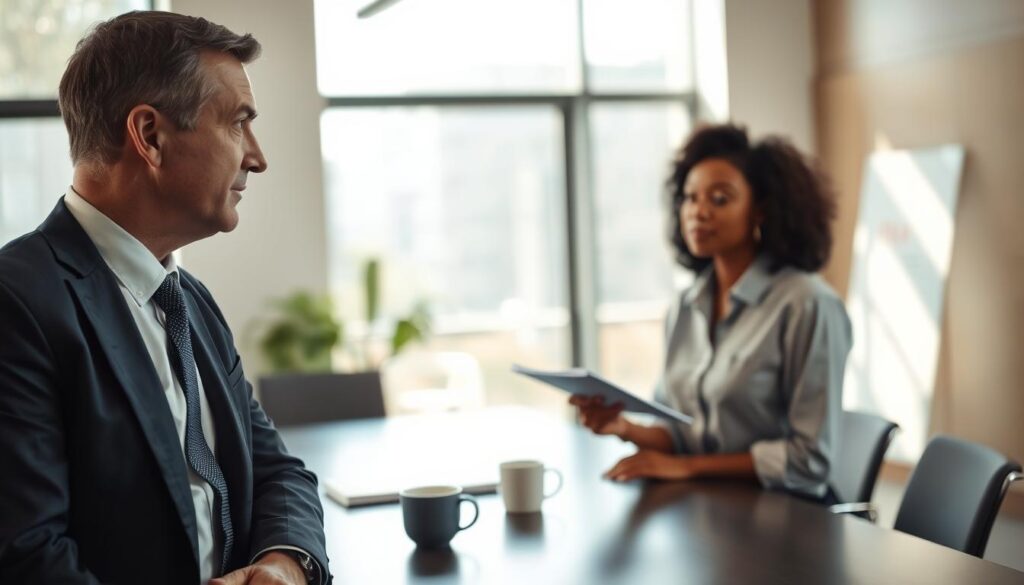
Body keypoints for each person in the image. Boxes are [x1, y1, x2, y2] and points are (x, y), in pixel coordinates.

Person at [0, 11, 330, 584]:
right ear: (150, 136)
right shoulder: (16, 303)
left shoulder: (189, 303)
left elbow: (278, 470)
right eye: (238, 123)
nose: (257, 156)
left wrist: (285, 565)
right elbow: (29, 556)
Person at [571, 123, 851, 502]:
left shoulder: (807, 303)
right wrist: (623, 426)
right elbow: (681, 433)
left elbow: (809, 461)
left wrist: (688, 467)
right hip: (708, 507)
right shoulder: (685, 306)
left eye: (719, 199)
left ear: (761, 210)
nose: (698, 212)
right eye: (690, 198)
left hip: (788, 514)